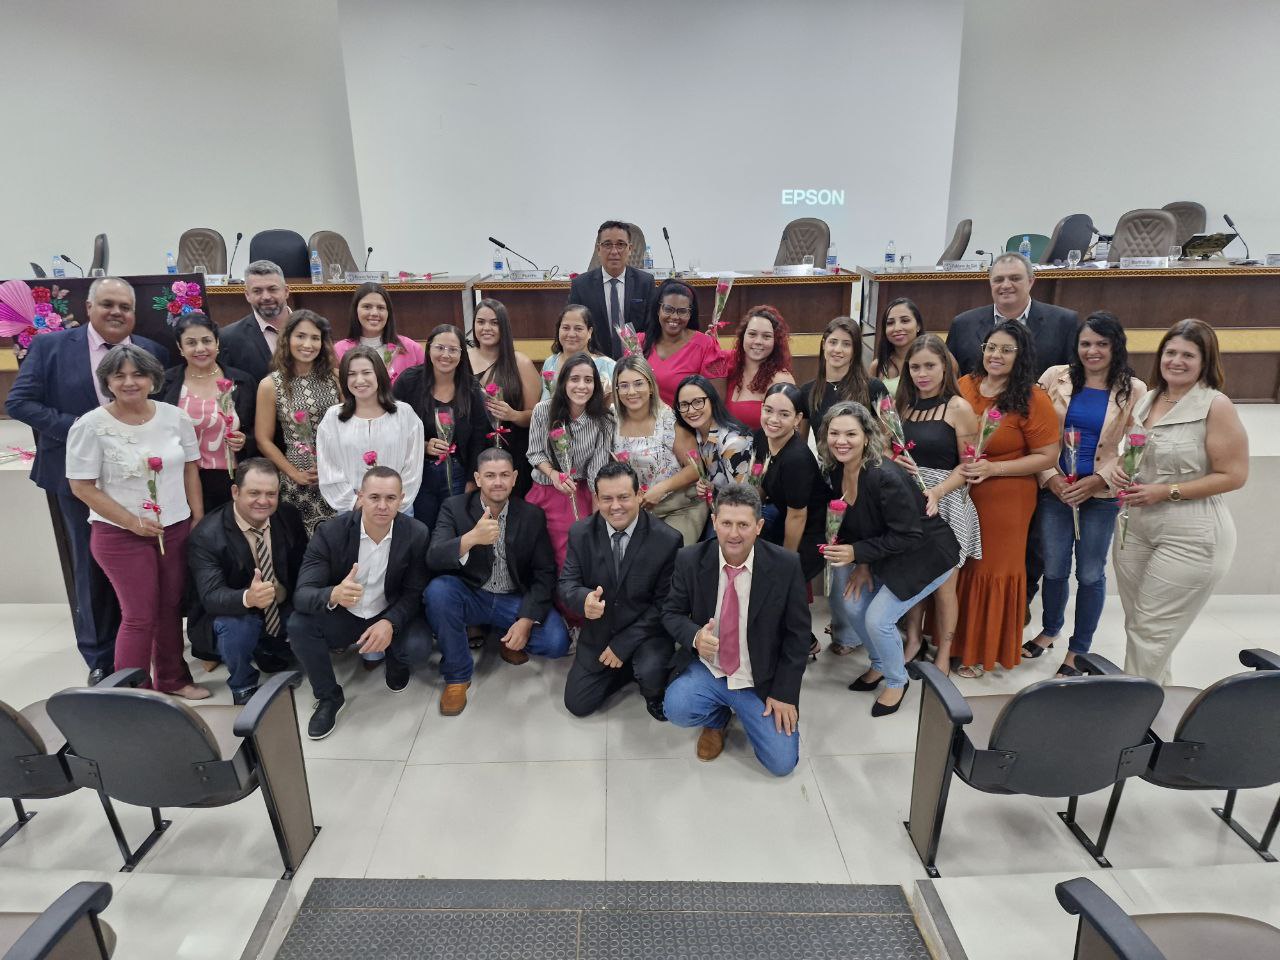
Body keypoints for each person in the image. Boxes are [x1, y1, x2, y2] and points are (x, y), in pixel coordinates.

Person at [8, 276, 169, 684]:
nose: (117, 312)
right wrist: (82, 429)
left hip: (138, 479)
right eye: (108, 304)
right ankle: (100, 656)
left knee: (143, 562)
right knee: (91, 564)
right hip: (79, 478)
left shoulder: (151, 352)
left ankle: (145, 644)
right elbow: (19, 402)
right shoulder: (51, 347)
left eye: (125, 307)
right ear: (89, 307)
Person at [1108, 319, 1248, 685]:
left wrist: (1165, 491)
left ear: (1205, 361)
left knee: (1151, 632)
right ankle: (1157, 703)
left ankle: (1131, 710)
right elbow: (1135, 455)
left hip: (1191, 532)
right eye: (1170, 352)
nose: (1176, 361)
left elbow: (1234, 475)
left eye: (1188, 355)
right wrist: (1122, 469)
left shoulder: (1215, 405)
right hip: (1135, 527)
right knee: (1141, 626)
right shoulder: (1148, 399)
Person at [65, 344, 207, 699]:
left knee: (169, 608)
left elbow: (190, 468)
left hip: (174, 528)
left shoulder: (175, 417)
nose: (130, 382)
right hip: (119, 535)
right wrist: (131, 521)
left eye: (138, 374)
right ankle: (130, 696)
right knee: (139, 615)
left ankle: (172, 680)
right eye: (120, 376)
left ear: (153, 379)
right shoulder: (91, 426)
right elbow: (81, 486)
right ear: (107, 381)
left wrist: (196, 516)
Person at [820, 402, 960, 716]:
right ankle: (881, 663)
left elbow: (909, 535)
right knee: (853, 605)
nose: (841, 441)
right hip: (889, 551)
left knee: (878, 619)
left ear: (867, 437)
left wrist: (857, 553)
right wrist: (863, 565)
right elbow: (859, 523)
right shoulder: (837, 470)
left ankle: (897, 681)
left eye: (851, 434)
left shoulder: (884, 476)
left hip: (927, 555)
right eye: (834, 433)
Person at [1025, 313, 1147, 676]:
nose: (1092, 351)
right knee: (1054, 567)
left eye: (1102, 344)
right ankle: (1050, 629)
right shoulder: (1054, 376)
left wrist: (1097, 481)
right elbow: (1033, 430)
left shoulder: (1134, 389)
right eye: (1086, 343)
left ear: (1115, 346)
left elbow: (1137, 446)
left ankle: (1078, 650)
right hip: (1057, 490)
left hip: (1101, 495)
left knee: (1091, 573)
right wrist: (1050, 477)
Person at [661, 483, 810, 777]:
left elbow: (798, 635)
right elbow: (670, 612)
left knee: (782, 763)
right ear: (714, 521)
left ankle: (743, 710)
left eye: (743, 524)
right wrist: (695, 636)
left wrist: (784, 692)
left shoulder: (786, 565)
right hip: (711, 668)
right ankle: (716, 718)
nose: (733, 534)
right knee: (676, 708)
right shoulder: (689, 559)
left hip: (758, 676)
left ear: (759, 526)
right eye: (726, 523)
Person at [289, 468, 434, 739]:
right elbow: (302, 595)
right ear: (360, 497)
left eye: (390, 498)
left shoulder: (416, 533)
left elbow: (414, 592)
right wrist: (333, 594)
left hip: (388, 611)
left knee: (418, 648)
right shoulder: (330, 533)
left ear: (402, 499)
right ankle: (328, 696)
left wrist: (390, 622)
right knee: (299, 625)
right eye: (374, 497)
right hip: (346, 614)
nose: (382, 506)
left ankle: (396, 659)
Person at [425, 448, 570, 716]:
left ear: (514, 478)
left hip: (512, 599)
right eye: (490, 475)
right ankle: (457, 676)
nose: (498, 482)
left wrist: (526, 620)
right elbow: (434, 557)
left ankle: (508, 635)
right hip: (472, 594)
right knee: (438, 591)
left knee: (556, 642)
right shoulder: (454, 507)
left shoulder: (531, 515)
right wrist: (471, 539)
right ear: (478, 479)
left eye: (504, 475)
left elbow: (545, 573)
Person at [953, 321, 1059, 677]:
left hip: (1006, 496)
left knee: (991, 570)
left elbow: (1047, 456)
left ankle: (981, 651)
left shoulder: (1032, 398)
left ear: (1021, 355)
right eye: (991, 347)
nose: (996, 355)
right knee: (961, 567)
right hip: (962, 490)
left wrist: (994, 469)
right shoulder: (964, 385)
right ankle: (954, 642)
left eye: (1006, 349)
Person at [559, 461, 682, 721]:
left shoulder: (667, 540)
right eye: (607, 499)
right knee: (577, 704)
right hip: (601, 631)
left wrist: (623, 644)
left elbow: (666, 605)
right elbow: (567, 584)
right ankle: (625, 670)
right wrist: (583, 600)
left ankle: (648, 682)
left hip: (647, 632)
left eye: (624, 497)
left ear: (639, 494)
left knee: (650, 673)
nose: (615, 506)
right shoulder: (580, 533)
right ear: (597, 499)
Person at [895, 334, 982, 672]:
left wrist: (938, 491)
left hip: (946, 501)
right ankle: (913, 639)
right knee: (914, 577)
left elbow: (968, 466)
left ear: (944, 366)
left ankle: (944, 652)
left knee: (945, 586)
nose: (922, 374)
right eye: (915, 367)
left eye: (929, 366)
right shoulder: (904, 406)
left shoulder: (958, 408)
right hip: (911, 501)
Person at [187, 458, 307, 704]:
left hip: (279, 603)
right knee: (237, 627)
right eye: (254, 493)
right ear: (235, 492)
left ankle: (271, 648)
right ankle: (243, 684)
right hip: (231, 612)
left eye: (271, 494)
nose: (263, 501)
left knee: (310, 608)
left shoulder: (288, 516)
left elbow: (303, 566)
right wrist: (248, 598)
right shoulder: (207, 535)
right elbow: (211, 597)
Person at [254, 309, 341, 537]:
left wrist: (336, 466)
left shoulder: (336, 377)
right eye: (300, 336)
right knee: (300, 543)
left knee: (338, 541)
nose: (308, 344)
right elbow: (263, 440)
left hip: (336, 473)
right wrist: (294, 473)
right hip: (297, 477)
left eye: (315, 338)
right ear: (287, 338)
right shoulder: (270, 385)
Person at [393, 324, 489, 530]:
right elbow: (392, 427)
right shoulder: (409, 381)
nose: (446, 355)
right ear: (429, 349)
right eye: (440, 348)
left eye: (453, 349)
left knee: (455, 529)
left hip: (458, 472)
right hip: (417, 473)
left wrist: (472, 480)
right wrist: (423, 445)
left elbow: (480, 436)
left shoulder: (471, 388)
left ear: (462, 354)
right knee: (421, 529)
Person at [526, 351, 614, 568]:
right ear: (563, 382)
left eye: (588, 380)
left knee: (579, 543)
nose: (581, 386)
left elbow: (596, 473)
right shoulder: (543, 411)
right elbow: (535, 453)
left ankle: (571, 589)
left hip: (581, 490)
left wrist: (597, 520)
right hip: (545, 488)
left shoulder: (603, 421)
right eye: (575, 379)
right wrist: (554, 474)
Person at [161, 312, 255, 511]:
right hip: (183, 480)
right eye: (191, 343)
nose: (200, 348)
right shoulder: (166, 383)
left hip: (232, 479)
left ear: (217, 342)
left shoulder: (242, 381)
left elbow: (259, 430)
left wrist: (245, 440)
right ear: (180, 347)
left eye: (206, 341)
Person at [612, 354, 707, 546]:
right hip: (637, 509)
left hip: (680, 506)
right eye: (624, 385)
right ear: (617, 389)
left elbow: (696, 468)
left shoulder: (669, 420)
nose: (631, 392)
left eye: (638, 383)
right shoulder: (612, 418)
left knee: (665, 555)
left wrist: (661, 489)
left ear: (650, 386)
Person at [318, 346, 424, 514]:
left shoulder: (404, 414)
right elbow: (328, 467)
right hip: (351, 509)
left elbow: (413, 466)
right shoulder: (333, 417)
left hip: (397, 509)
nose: (359, 380)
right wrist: (355, 502)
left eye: (366, 372)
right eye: (352, 374)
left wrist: (393, 502)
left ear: (379, 375)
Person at [946, 252, 1078, 378]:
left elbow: (1074, 374)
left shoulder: (1064, 322)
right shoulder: (963, 324)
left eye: (1015, 278)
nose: (1006, 285)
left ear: (1031, 281)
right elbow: (949, 376)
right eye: (998, 280)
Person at [468, 298, 541, 494]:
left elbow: (536, 415)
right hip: (473, 451)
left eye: (494, 323)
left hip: (513, 452)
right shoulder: (462, 360)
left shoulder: (520, 363)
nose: (486, 328)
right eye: (481, 322)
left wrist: (513, 415)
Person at [567, 220, 657, 359]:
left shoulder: (645, 282)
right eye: (607, 245)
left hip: (635, 361)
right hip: (595, 361)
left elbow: (652, 326)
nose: (614, 251)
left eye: (620, 244)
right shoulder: (581, 285)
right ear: (598, 249)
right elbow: (574, 326)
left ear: (630, 249)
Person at [798, 316, 888, 443]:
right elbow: (801, 442)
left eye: (846, 344)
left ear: (855, 350)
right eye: (833, 342)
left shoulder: (874, 387)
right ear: (824, 345)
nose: (838, 350)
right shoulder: (807, 391)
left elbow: (889, 436)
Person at [641, 280, 729, 406]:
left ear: (690, 314)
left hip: (686, 417)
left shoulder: (706, 346)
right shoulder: (637, 343)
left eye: (682, 311)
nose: (674, 316)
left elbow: (716, 402)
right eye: (668, 309)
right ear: (658, 309)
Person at [674, 375, 753, 503]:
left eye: (698, 402)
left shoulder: (734, 443)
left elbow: (743, 500)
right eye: (684, 404)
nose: (691, 410)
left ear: (712, 400)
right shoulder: (696, 434)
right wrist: (711, 488)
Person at [333, 282, 426, 384]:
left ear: (388, 312)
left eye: (381, 308)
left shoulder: (412, 349)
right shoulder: (338, 351)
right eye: (367, 307)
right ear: (356, 311)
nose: (374, 313)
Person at [724, 304, 795, 431]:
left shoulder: (781, 379)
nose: (758, 341)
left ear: (775, 341)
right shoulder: (730, 366)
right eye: (752, 334)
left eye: (766, 336)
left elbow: (788, 430)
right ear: (742, 336)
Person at [219, 260, 292, 383]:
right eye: (257, 291)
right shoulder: (228, 339)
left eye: (272, 289)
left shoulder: (315, 329)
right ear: (247, 295)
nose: (266, 297)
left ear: (286, 291)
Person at [540, 304, 617, 399]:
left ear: (589, 332)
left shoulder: (608, 366)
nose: (571, 334)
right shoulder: (550, 362)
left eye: (578, 329)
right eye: (566, 328)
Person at [870, 297, 926, 397]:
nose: (897, 328)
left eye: (905, 321)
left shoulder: (939, 359)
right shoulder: (878, 366)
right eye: (890, 323)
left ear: (918, 326)